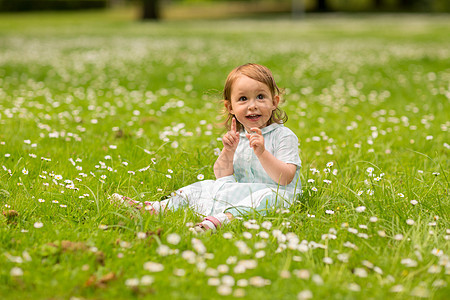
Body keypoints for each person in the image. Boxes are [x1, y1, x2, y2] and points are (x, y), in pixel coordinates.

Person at [111, 63, 301, 232]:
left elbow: (285, 178)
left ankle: (223, 219)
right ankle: (155, 208)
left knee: (268, 199)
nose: (252, 106)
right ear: (230, 107)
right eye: (243, 99)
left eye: (260, 97)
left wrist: (262, 153)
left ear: (274, 102)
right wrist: (229, 150)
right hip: (242, 191)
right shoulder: (239, 137)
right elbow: (221, 176)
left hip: (277, 194)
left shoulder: (283, 136)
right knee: (203, 187)